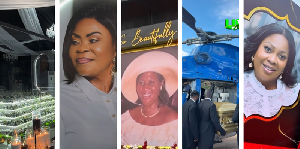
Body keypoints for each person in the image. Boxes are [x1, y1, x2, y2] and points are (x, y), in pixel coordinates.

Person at [60, 3, 117, 149]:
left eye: (93, 40)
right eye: (75, 42)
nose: (81, 48)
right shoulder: (61, 98)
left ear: (115, 47)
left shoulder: (131, 92)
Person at [244, 23, 300, 148]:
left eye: (282, 56)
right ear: (256, 48)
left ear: (287, 63)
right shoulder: (241, 82)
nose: (273, 60)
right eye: (268, 49)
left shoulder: (295, 93)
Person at [121, 51, 178, 146]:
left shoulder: (174, 121)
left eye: (151, 82)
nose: (145, 88)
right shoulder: (125, 119)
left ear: (161, 84)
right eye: (141, 83)